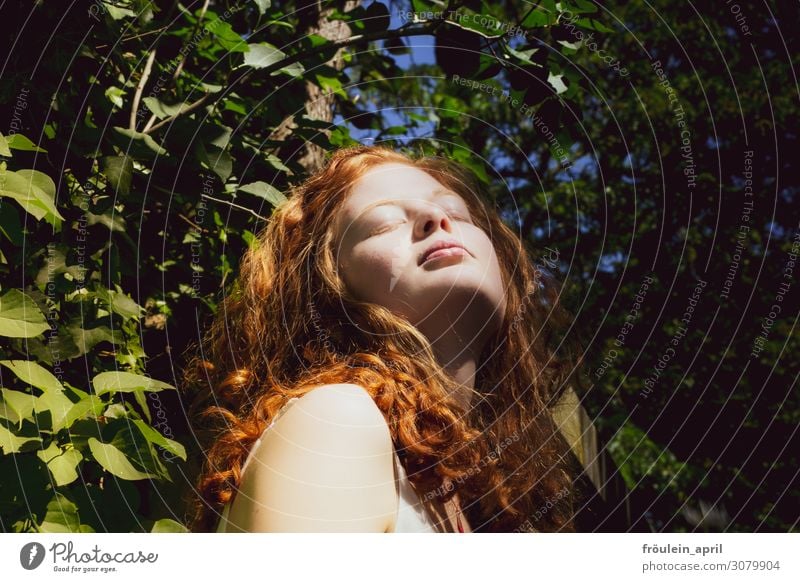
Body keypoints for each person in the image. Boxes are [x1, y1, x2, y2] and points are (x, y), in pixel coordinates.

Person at [182, 145, 586, 533]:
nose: (435, 217)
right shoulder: (337, 421)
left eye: (455, 211)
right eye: (383, 223)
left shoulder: (461, 499)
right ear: (327, 291)